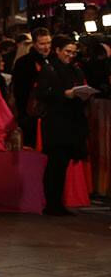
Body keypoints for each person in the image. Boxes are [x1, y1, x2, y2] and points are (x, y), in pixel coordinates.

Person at [36, 35, 90, 216]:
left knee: (63, 164)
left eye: (74, 52)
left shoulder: (75, 70)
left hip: (72, 122)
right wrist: (63, 94)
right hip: (56, 123)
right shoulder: (49, 69)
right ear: (57, 50)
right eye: (67, 51)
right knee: (55, 164)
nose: (71, 55)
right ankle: (52, 203)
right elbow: (42, 93)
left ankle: (57, 202)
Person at [12, 27, 51, 148]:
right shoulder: (23, 63)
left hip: (51, 113)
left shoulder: (54, 59)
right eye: (42, 44)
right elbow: (19, 92)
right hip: (31, 113)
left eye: (48, 43)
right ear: (34, 44)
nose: (46, 47)